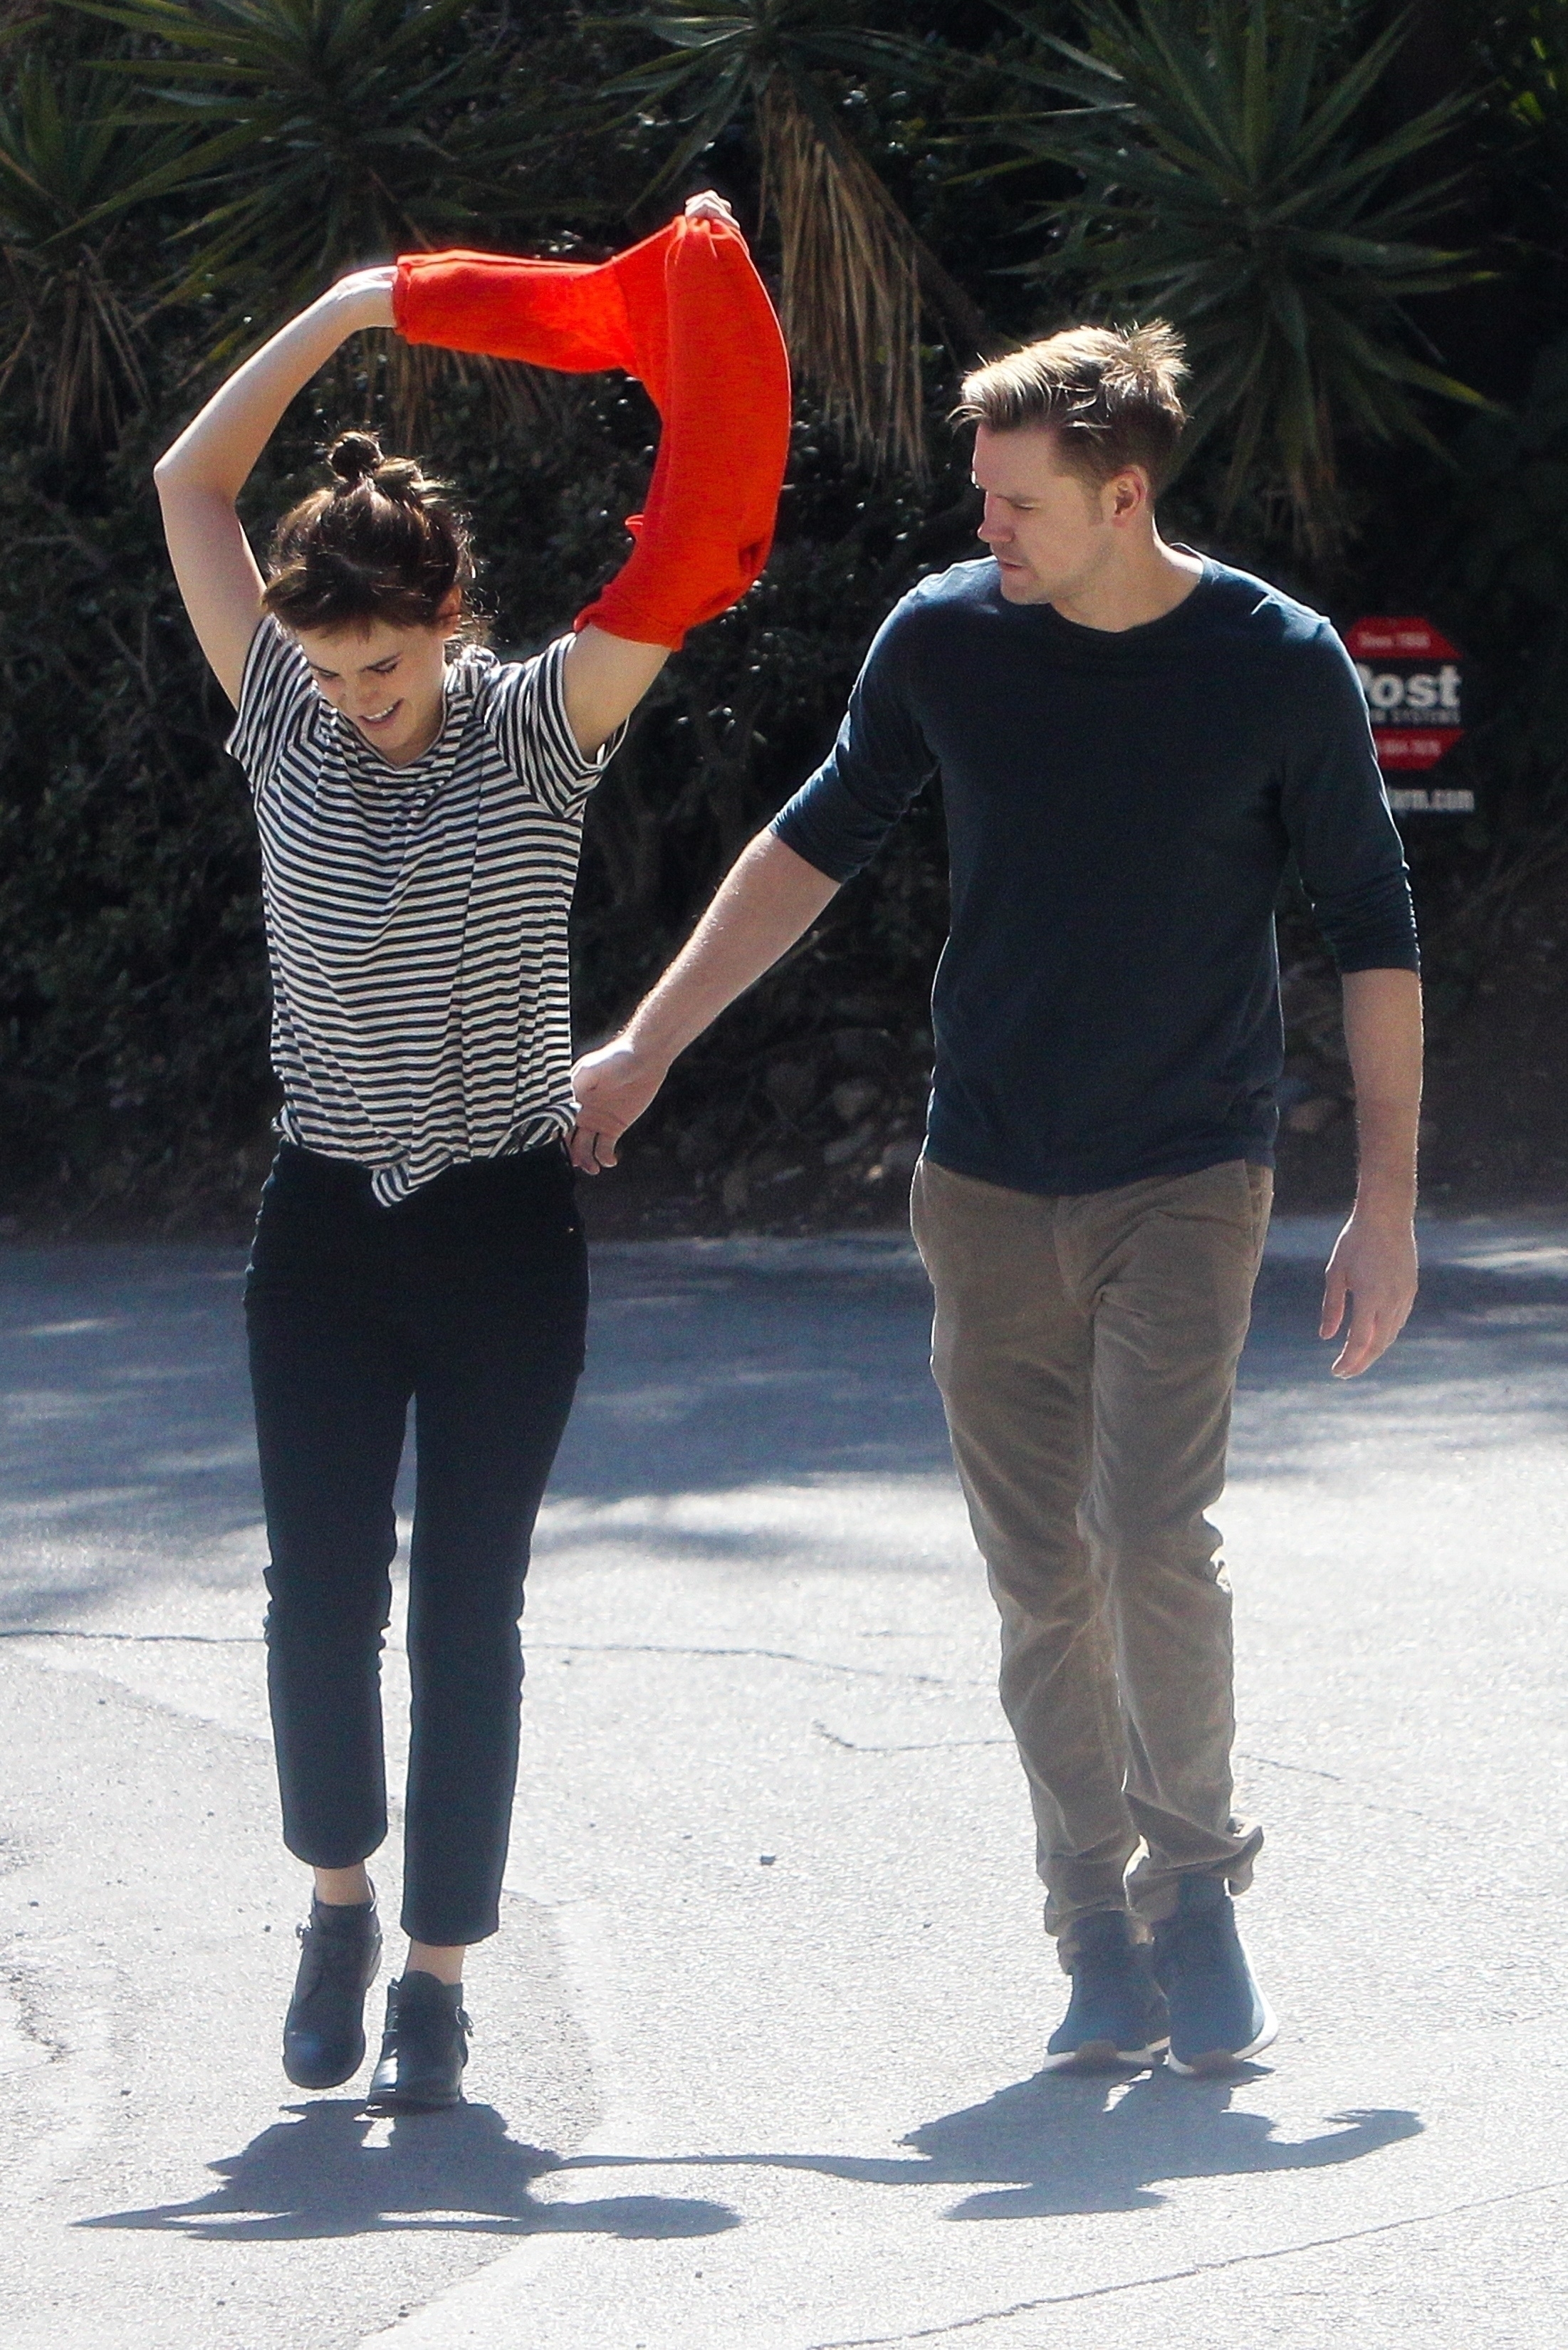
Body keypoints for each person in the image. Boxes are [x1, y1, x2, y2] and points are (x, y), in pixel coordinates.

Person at [570, 322, 1423, 2077]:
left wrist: (1390, 1202)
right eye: (983, 496)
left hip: (1189, 1170)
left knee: (1151, 1535)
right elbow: (812, 844)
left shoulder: (1278, 665)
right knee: (1041, 1575)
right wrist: (649, 1042)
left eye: (1018, 502)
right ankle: (1093, 1930)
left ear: (1124, 497)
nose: (987, 528)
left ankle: (1197, 1893)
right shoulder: (948, 639)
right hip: (983, 1179)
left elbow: (1376, 931)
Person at [153, 192, 789, 2111]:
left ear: (450, 621)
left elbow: (699, 516)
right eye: (334, 671)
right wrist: (349, 309)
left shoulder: (537, 726)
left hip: (505, 1224)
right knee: (318, 1594)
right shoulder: (284, 719)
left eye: (388, 668)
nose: (362, 703)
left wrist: (645, 302)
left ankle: (437, 1976)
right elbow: (189, 482)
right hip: (325, 1225)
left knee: (467, 1613)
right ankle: (337, 1905)